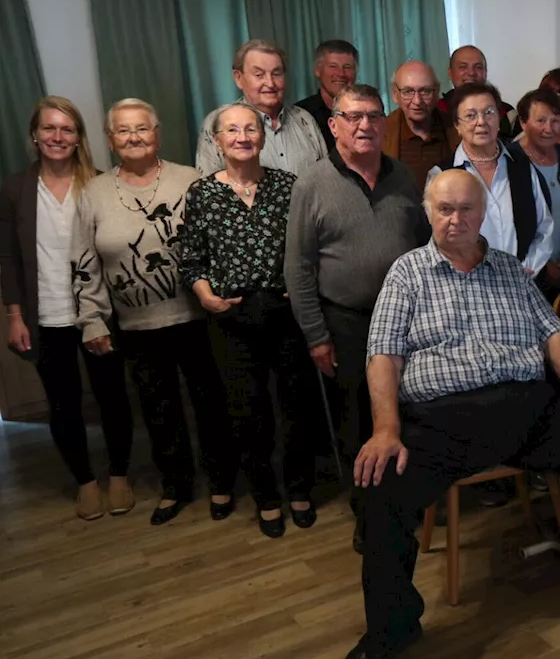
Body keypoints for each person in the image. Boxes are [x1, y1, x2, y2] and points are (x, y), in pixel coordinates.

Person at [346, 169, 560, 659]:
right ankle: (394, 624)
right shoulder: (407, 272)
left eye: (466, 208)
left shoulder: (510, 269)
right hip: (441, 421)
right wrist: (386, 428)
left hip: (525, 411)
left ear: (483, 212)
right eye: (445, 208)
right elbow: (383, 354)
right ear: (428, 212)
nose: (456, 219)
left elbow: (553, 333)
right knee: (380, 483)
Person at [73, 98, 235, 526]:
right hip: (136, 326)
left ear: (157, 133)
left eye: (142, 128)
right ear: (110, 140)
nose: (134, 137)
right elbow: (83, 261)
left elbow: (216, 246)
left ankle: (222, 482)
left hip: (197, 319)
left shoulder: (191, 179)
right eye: (123, 131)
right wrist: (91, 319)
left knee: (211, 405)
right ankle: (176, 485)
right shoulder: (93, 192)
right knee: (158, 410)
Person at [285, 84, 428, 553]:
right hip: (345, 323)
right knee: (356, 424)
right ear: (334, 125)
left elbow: (426, 245)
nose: (364, 125)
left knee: (406, 415)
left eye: (372, 116)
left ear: (384, 122)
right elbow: (298, 266)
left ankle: (404, 505)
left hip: (406, 323)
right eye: (352, 117)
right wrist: (315, 336)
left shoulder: (405, 176)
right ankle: (368, 517)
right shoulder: (311, 183)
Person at [179, 103, 319, 538]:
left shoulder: (288, 186)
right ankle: (265, 496)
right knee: (248, 412)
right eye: (232, 130)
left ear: (262, 137)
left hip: (284, 314)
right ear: (217, 140)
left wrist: (300, 286)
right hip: (231, 317)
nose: (242, 137)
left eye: (250, 129)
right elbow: (191, 257)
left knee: (297, 408)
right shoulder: (202, 193)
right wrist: (206, 296)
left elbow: (307, 247)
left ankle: (299, 489)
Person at [0, 96, 133, 520]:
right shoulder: (16, 190)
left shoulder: (98, 184)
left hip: (98, 315)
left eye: (67, 129)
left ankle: (119, 476)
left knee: (113, 398)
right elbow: (8, 259)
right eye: (49, 129)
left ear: (78, 138)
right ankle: (86, 483)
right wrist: (14, 315)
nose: (57, 137)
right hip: (47, 317)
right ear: (35, 136)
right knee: (63, 404)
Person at [428, 83, 555, 276]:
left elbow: (544, 227)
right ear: (457, 125)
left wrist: (524, 271)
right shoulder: (441, 174)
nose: (481, 122)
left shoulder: (522, 166)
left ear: (499, 118)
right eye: (470, 115)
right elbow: (438, 240)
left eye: (489, 112)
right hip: (466, 284)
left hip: (522, 281)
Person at [196, 39, 326, 178]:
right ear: (238, 78)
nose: (270, 83)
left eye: (276, 74)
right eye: (259, 75)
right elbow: (209, 190)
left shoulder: (304, 119)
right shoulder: (218, 123)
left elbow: (326, 177)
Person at [507, 88, 560, 296]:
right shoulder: (509, 162)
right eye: (540, 120)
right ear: (523, 123)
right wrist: (543, 267)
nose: (549, 128)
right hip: (528, 277)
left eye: (555, 120)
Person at [383, 61, 457, 195]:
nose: (417, 101)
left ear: (437, 92)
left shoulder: (457, 129)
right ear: (395, 95)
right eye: (408, 91)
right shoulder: (380, 133)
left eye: (425, 91)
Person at [436, 46, 518, 140]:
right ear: (450, 73)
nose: (471, 73)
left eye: (478, 67)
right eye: (463, 67)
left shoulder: (506, 113)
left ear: (485, 73)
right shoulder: (437, 111)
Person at [295, 39, 359, 151]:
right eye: (333, 66)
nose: (341, 73)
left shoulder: (365, 112)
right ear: (317, 70)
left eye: (347, 67)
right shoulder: (299, 115)